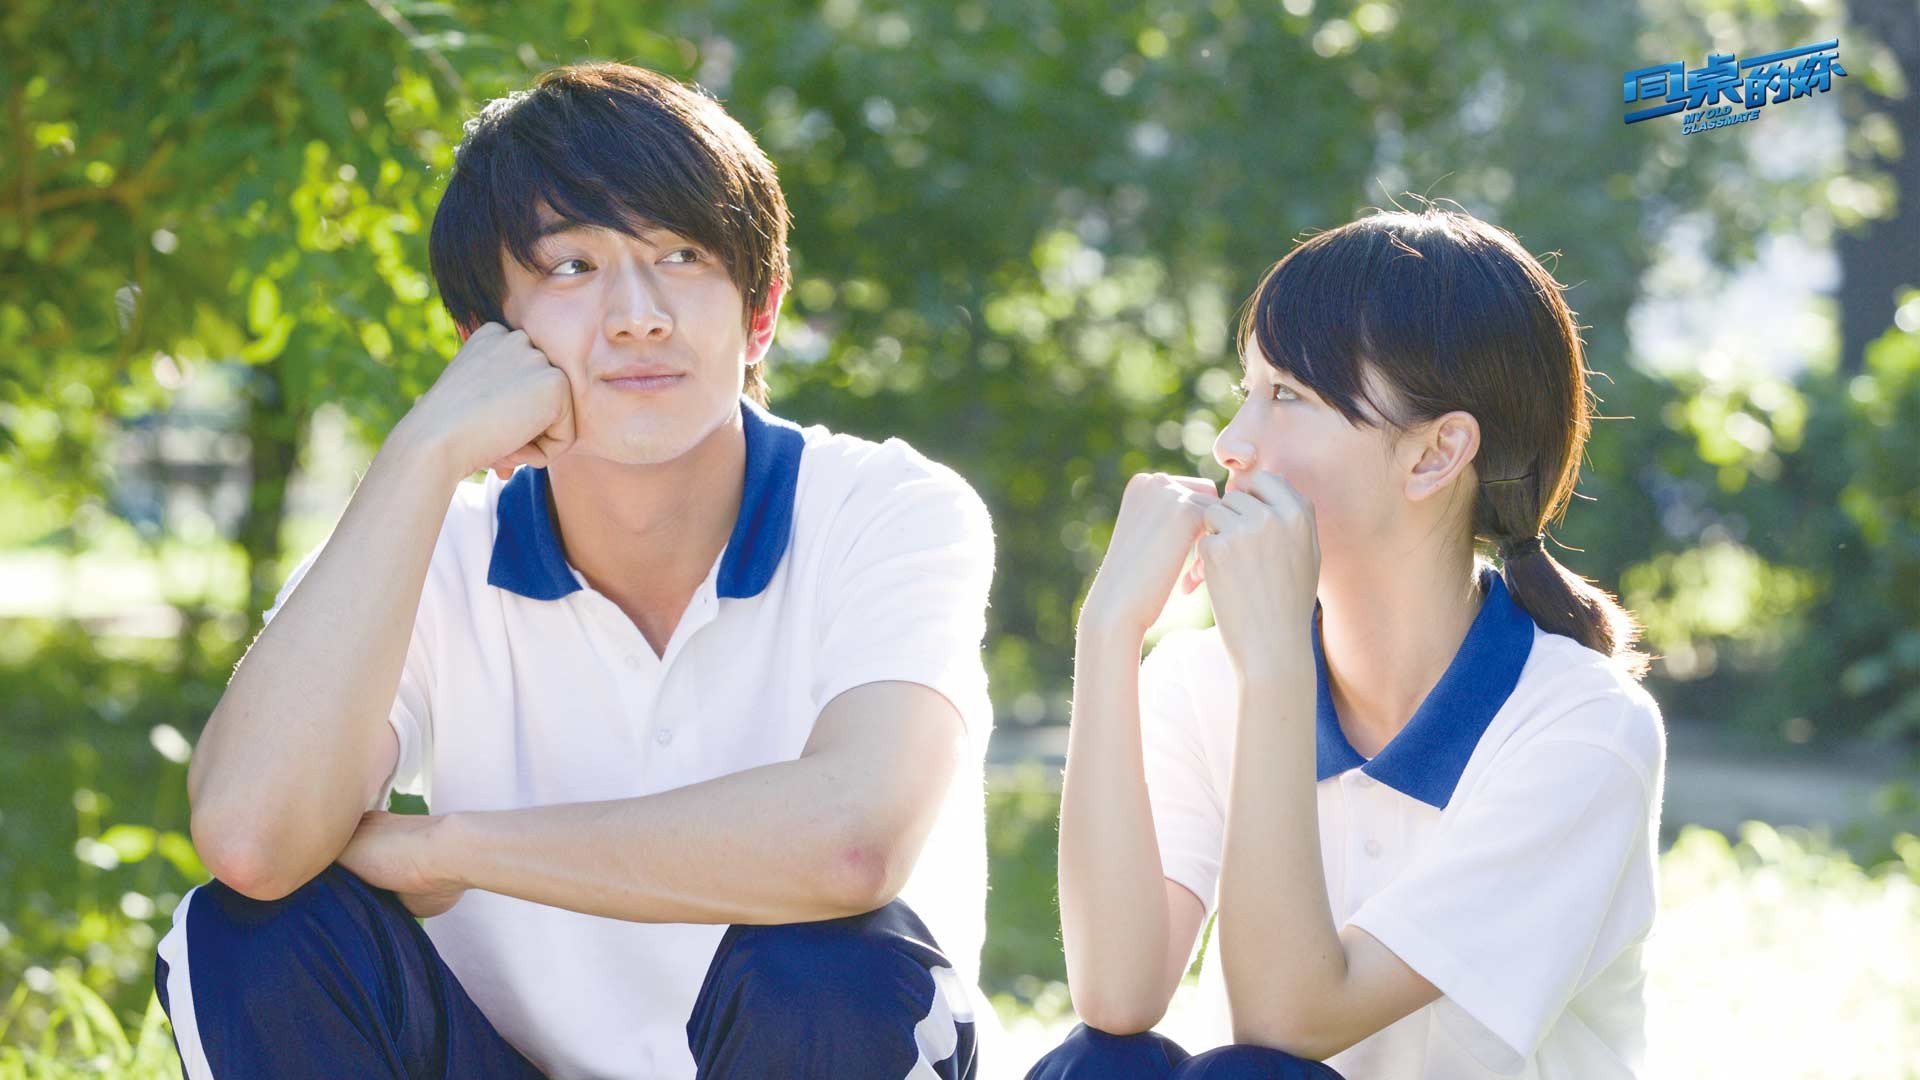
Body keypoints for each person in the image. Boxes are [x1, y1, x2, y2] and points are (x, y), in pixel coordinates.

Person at [156, 62, 997, 1080]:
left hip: (810, 1047)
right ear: (485, 340)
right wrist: (422, 451)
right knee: (248, 932)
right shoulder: (429, 542)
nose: (638, 315)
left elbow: (852, 843)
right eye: (570, 266)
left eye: (682, 255)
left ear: (760, 311)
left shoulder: (887, 510)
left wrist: (448, 848)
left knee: (827, 967)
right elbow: (251, 838)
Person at [1026, 205, 1666, 1079]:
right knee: (1098, 1065)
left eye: (1288, 395)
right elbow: (1116, 994)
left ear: (1435, 455)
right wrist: (1107, 632)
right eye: (1247, 390)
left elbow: (1286, 1022)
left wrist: (1276, 670)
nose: (1231, 444)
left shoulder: (1584, 732)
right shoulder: (1203, 680)